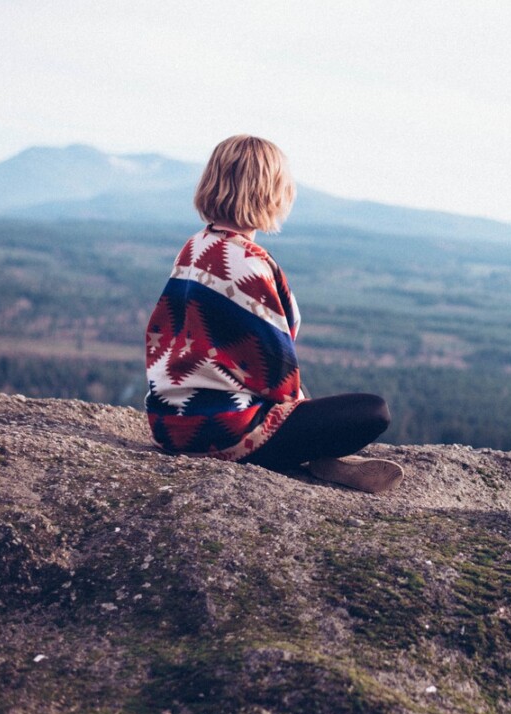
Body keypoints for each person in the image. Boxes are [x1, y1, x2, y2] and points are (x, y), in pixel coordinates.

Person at [144, 135, 403, 492]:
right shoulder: (249, 262)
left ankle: (322, 459)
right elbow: (276, 374)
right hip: (224, 431)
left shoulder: (194, 246)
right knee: (372, 412)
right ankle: (322, 460)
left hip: (168, 423)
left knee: (312, 409)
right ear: (270, 192)